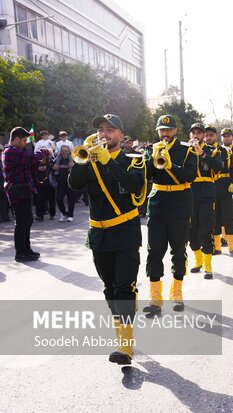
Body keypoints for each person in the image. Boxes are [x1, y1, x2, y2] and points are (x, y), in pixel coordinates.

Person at [68, 114, 145, 364]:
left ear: (122, 136)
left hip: (125, 233)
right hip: (99, 234)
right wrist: (84, 161)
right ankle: (121, 332)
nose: (104, 134)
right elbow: (74, 184)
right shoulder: (90, 159)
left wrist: (109, 163)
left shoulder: (133, 160)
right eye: (101, 129)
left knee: (124, 287)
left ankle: (125, 345)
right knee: (110, 288)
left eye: (110, 130)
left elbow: (134, 185)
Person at [144, 114, 197, 314]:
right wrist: (152, 158)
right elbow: (147, 175)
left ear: (175, 131)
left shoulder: (186, 151)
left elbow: (190, 175)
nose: (165, 134)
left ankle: (176, 293)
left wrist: (170, 165)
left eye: (168, 130)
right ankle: (155, 298)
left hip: (179, 205)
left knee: (178, 251)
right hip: (157, 204)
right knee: (154, 251)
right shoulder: (151, 150)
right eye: (161, 130)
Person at [2, 127, 50, 261]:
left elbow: (29, 164)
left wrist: (39, 166)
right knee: (21, 222)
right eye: (24, 141)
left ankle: (27, 250)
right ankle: (20, 253)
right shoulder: (10, 151)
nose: (25, 143)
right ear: (16, 139)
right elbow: (32, 156)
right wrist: (46, 151)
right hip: (17, 191)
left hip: (25, 189)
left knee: (28, 220)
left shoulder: (19, 151)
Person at [188, 123, 222, 279]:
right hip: (189, 194)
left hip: (207, 194)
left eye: (199, 133)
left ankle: (208, 265)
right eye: (193, 132)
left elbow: (218, 167)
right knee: (191, 231)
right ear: (190, 135)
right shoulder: (185, 150)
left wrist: (202, 154)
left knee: (206, 229)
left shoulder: (212, 151)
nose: (196, 135)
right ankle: (198, 261)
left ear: (203, 135)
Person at [214, 128, 233, 255]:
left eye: (228, 136)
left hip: (225, 188)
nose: (226, 138)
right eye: (224, 136)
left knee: (229, 216)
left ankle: (232, 246)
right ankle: (217, 246)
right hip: (213, 188)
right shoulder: (207, 151)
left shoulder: (226, 152)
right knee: (215, 218)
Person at [53, 145, 78, 222]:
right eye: (63, 151)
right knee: (58, 199)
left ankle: (70, 215)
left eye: (66, 151)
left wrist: (73, 167)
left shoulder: (73, 159)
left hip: (71, 183)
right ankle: (63, 213)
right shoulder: (57, 160)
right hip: (61, 183)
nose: (64, 153)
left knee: (71, 200)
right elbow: (52, 169)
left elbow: (79, 171)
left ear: (69, 152)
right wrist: (54, 168)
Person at [33, 149, 56, 221]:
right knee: (39, 199)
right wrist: (38, 168)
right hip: (39, 183)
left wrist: (47, 168)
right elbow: (31, 169)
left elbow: (54, 168)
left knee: (51, 200)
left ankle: (52, 214)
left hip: (49, 184)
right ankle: (39, 215)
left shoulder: (51, 160)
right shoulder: (36, 161)